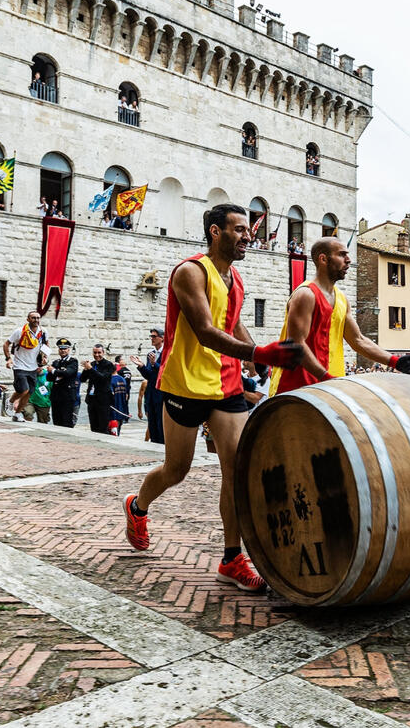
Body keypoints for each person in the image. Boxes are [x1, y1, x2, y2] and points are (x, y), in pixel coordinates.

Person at [122, 203, 304, 593]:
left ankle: (231, 558)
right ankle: (137, 507)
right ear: (216, 232)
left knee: (236, 468)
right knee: (177, 469)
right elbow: (205, 331)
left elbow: (233, 321)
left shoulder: (234, 278)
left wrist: (257, 359)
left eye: (248, 230)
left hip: (226, 386)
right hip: (184, 383)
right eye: (239, 230)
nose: (248, 236)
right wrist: (260, 354)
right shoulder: (190, 272)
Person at [269, 238, 410, 395]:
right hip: (295, 388)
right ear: (323, 259)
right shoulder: (305, 295)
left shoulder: (342, 299)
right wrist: (326, 377)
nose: (349, 260)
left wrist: (395, 361)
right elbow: (296, 344)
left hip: (328, 387)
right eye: (342, 255)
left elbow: (358, 340)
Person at [3, 311, 51, 422]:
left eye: (38, 318)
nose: (36, 320)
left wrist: (45, 357)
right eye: (33, 318)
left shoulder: (43, 332)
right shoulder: (19, 331)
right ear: (28, 319)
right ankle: (10, 401)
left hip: (33, 367)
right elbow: (6, 344)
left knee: (29, 393)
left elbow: (46, 345)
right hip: (19, 365)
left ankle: (18, 413)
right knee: (23, 390)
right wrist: (8, 358)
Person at [131, 329, 165, 443]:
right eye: (151, 336)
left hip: (161, 394)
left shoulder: (167, 353)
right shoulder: (151, 354)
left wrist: (155, 364)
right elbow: (149, 376)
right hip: (151, 394)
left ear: (162, 338)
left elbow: (165, 372)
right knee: (152, 424)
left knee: (161, 424)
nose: (152, 338)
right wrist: (141, 366)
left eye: (154, 336)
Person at [80, 344, 115, 434]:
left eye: (99, 352)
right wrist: (85, 369)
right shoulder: (92, 364)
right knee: (93, 426)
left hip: (103, 400)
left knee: (103, 427)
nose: (97, 355)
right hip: (92, 399)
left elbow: (103, 378)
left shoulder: (109, 365)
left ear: (103, 353)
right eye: (95, 352)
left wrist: (91, 369)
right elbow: (82, 379)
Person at [46, 338, 79, 428]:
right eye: (61, 349)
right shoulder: (56, 362)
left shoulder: (73, 361)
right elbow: (49, 377)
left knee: (66, 421)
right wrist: (58, 373)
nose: (63, 351)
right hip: (56, 395)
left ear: (68, 349)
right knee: (56, 421)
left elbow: (68, 373)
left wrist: (54, 371)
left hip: (67, 396)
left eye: (65, 349)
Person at [28, 357, 53, 424]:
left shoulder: (48, 375)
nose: (37, 368)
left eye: (39, 366)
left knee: (43, 422)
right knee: (28, 414)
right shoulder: (29, 375)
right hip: (30, 400)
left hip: (44, 402)